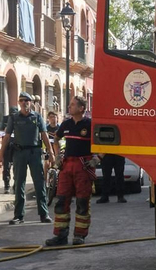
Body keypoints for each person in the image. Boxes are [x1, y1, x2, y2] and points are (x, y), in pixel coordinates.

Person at [46, 96, 95, 247]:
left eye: (72, 105)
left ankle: (79, 236)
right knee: (61, 201)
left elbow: (104, 141)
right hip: (67, 166)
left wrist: (98, 159)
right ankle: (60, 236)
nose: (69, 107)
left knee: (82, 202)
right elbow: (56, 139)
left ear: (81, 108)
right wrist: (57, 157)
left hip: (83, 166)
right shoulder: (66, 124)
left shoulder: (90, 124)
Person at [6, 93, 49, 225]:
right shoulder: (14, 117)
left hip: (35, 152)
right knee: (19, 184)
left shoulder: (37, 117)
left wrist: (51, 153)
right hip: (19, 153)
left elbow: (44, 135)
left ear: (31, 103)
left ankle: (44, 214)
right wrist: (2, 155)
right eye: (21, 101)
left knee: (39, 183)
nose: (24, 103)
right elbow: (7, 136)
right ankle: (19, 215)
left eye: (27, 100)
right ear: (19, 103)